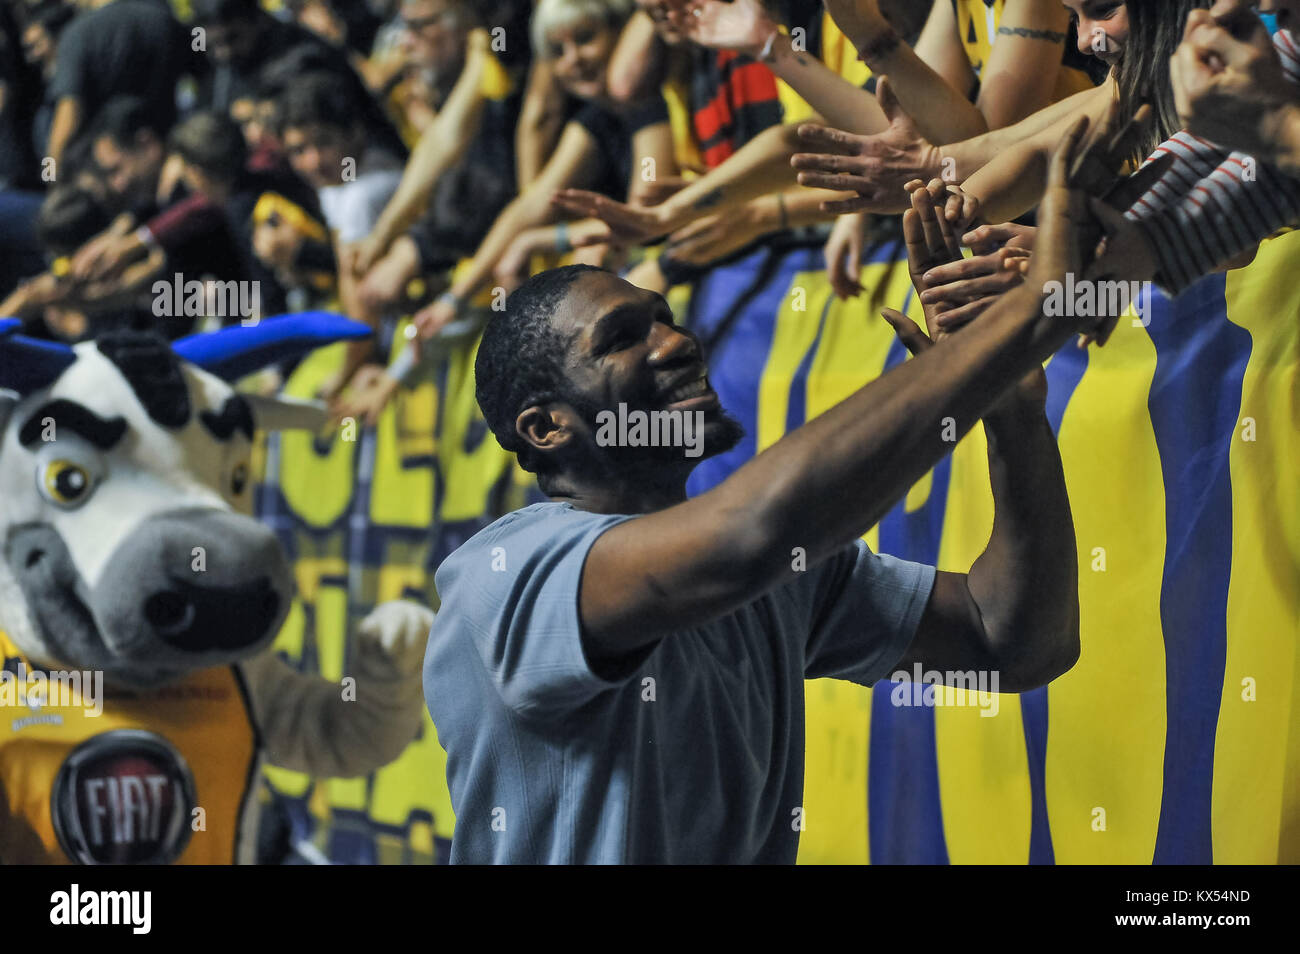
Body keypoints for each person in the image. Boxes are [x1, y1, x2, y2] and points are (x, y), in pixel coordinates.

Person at [421, 116, 1139, 864]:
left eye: (665, 320)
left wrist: (1012, 418)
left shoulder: (772, 571)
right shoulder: (506, 576)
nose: (675, 343)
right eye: (621, 338)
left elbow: (1013, 642)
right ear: (546, 428)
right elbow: (752, 533)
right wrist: (1026, 321)